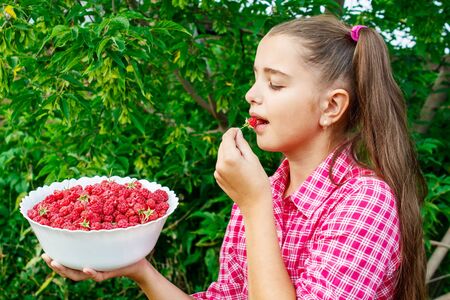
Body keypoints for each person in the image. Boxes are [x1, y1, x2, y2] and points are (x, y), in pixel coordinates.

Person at [42, 14, 427, 299]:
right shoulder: (267, 190)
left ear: (331, 107)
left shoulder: (364, 201)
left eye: (275, 83)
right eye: (256, 77)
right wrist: (138, 268)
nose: (252, 95)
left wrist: (256, 205)